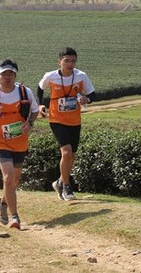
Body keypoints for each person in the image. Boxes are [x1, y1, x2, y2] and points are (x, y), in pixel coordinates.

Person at [0, 59, 39, 230]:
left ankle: (2, 202)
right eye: (4, 74)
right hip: (0, 141)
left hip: (20, 141)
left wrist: (30, 123)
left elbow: (34, 110)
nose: (7, 77)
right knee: (8, 178)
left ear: (15, 75)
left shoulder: (24, 92)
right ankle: (15, 217)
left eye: (10, 74)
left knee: (15, 180)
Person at [37, 47, 96, 201]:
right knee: (66, 152)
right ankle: (66, 187)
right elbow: (40, 88)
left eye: (73, 61)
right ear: (60, 62)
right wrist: (41, 105)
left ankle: (59, 182)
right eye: (66, 61)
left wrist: (86, 99)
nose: (70, 64)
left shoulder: (81, 76)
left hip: (74, 120)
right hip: (56, 119)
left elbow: (92, 94)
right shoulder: (50, 76)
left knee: (72, 156)